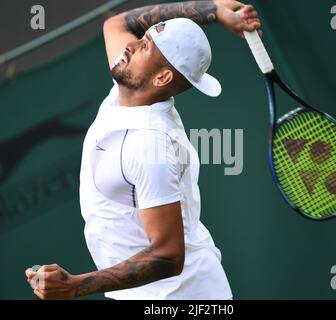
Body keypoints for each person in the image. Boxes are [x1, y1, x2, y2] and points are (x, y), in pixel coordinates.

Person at [25, 0, 261, 300]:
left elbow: (168, 256)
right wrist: (215, 10)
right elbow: (116, 24)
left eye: (146, 46)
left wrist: (75, 286)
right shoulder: (128, 84)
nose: (132, 46)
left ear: (161, 78)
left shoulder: (151, 145)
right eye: (144, 37)